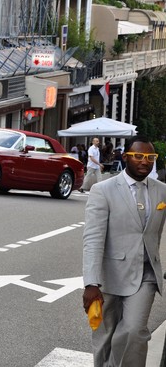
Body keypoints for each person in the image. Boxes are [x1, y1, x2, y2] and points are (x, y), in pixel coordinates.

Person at [83, 135, 166, 367]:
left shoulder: (162, 191)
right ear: (125, 157)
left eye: (150, 157)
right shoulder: (103, 190)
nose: (145, 162)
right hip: (110, 275)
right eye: (138, 156)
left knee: (133, 330)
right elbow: (93, 238)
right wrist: (91, 283)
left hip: (146, 274)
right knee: (105, 336)